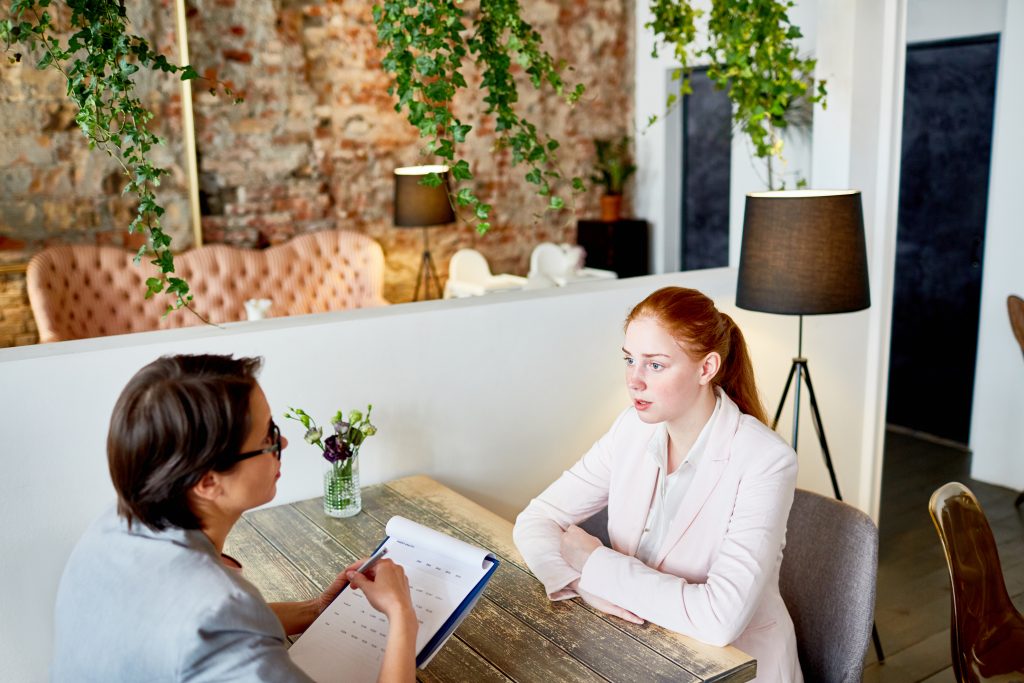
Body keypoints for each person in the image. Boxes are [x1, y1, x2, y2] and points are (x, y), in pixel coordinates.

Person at [52, 354, 417, 682]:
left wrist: (316, 608)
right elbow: (217, 628)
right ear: (208, 481)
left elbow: (200, 634)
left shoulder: (111, 528)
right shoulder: (217, 609)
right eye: (268, 437)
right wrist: (402, 617)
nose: (283, 444)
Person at [512, 287, 802, 682]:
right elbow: (536, 518)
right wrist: (581, 580)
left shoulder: (766, 460)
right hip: (639, 651)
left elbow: (719, 620)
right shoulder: (630, 429)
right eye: (630, 360)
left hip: (734, 669)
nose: (634, 380)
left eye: (656, 365)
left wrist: (596, 562)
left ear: (706, 368)